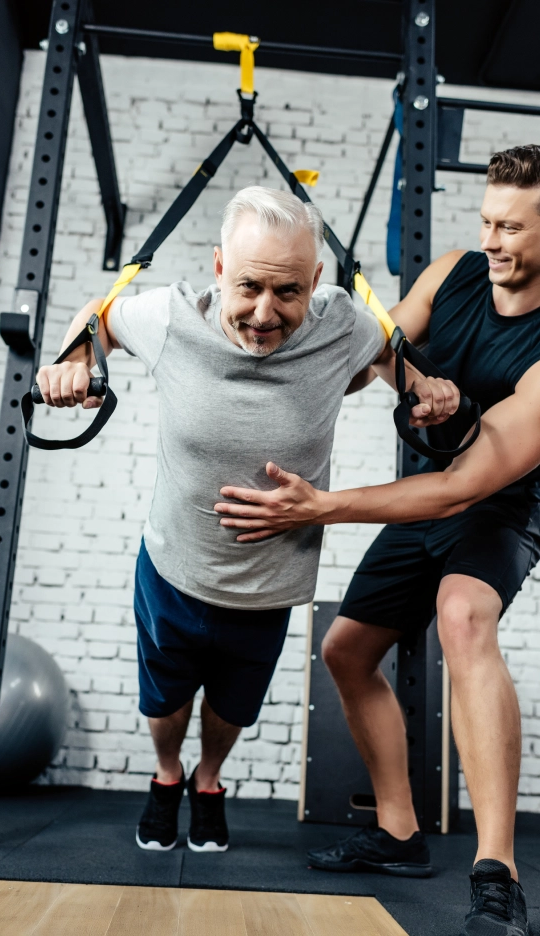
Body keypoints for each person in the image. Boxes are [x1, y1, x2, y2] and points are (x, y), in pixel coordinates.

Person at [37, 186, 456, 857]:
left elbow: (386, 350)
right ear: (217, 269)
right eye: (249, 288)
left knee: (232, 711)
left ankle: (208, 781)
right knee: (165, 705)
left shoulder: (341, 323)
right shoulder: (172, 317)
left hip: (267, 588)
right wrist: (74, 359)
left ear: (315, 282)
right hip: (173, 566)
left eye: (287, 292)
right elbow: (102, 314)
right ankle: (167, 774)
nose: (264, 313)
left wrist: (420, 384)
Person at [214, 146, 540, 936]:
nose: (492, 240)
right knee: (347, 650)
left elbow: (464, 483)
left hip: (496, 507)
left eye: (512, 228)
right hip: (424, 498)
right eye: (487, 221)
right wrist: (356, 362)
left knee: (464, 616)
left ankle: (495, 869)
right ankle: (398, 831)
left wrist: (319, 507)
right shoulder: (455, 270)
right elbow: (379, 350)